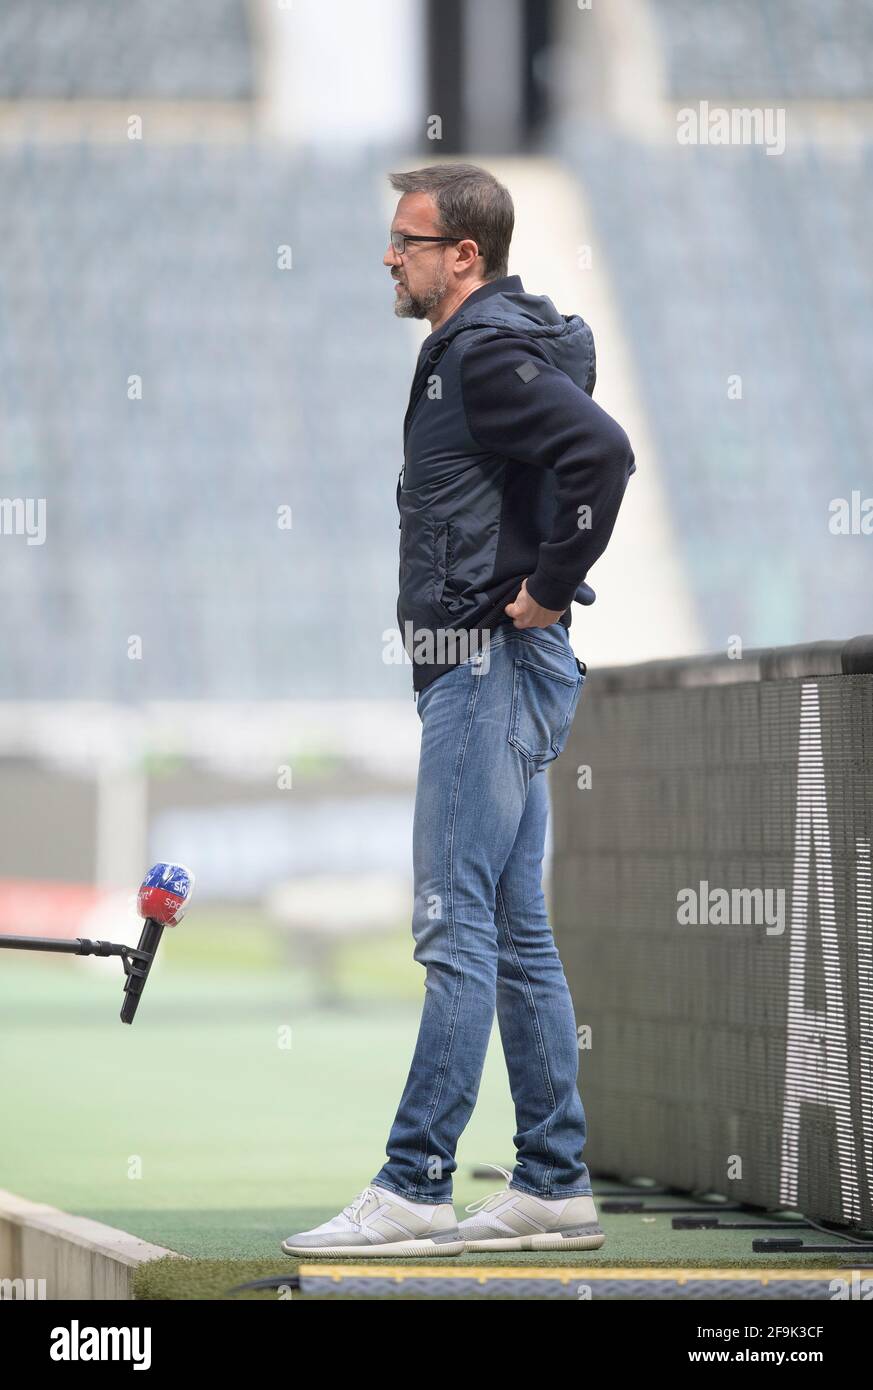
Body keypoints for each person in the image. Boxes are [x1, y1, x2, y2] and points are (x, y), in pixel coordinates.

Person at [281, 163, 635, 1258]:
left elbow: (602, 453)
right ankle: (552, 1183)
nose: (391, 256)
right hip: (492, 671)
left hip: (484, 667)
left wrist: (545, 585)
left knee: (455, 923)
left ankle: (416, 1183)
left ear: (463, 255)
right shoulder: (494, 348)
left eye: (408, 239)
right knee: (518, 935)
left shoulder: (479, 354)